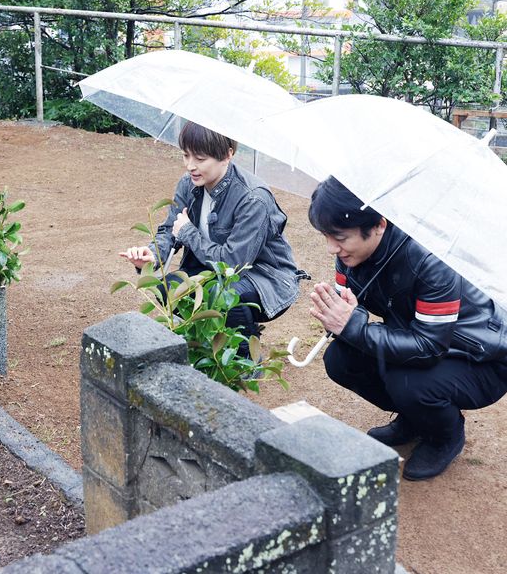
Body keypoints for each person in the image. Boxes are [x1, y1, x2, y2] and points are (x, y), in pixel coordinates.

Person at [308, 176, 507, 481]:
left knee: (408, 382)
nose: (332, 248)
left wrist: (352, 326)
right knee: (340, 359)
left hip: (481, 358)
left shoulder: (430, 260)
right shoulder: (351, 255)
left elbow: (429, 347)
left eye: (340, 237)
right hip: (423, 341)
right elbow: (350, 312)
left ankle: (445, 437)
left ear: (378, 225)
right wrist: (340, 316)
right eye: (326, 235)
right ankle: (416, 420)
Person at [120, 121, 302, 356]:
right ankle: (210, 346)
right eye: (185, 155)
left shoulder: (253, 199)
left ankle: (245, 358)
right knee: (168, 288)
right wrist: (152, 256)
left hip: (265, 277)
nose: (190, 166)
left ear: (227, 155)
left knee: (223, 293)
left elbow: (232, 266)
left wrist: (188, 233)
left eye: (200, 158)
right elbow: (170, 229)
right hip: (215, 272)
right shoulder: (188, 183)